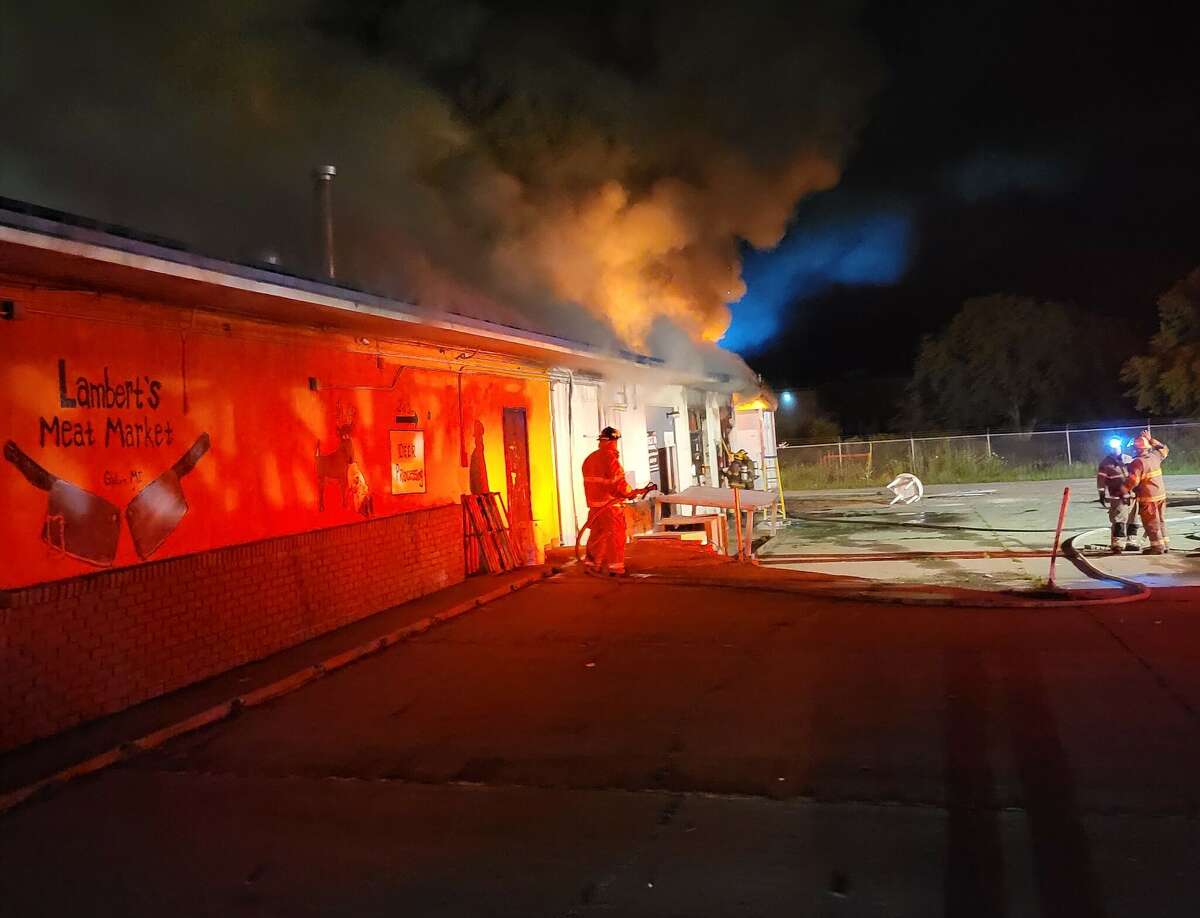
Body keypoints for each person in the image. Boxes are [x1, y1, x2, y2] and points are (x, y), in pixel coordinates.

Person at [581, 426, 650, 575]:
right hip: (610, 506)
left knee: (597, 536)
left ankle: (592, 565)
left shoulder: (590, 458)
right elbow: (618, 484)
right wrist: (630, 493)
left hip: (594, 507)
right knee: (616, 536)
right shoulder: (610, 459)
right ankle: (615, 568)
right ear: (613, 441)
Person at [1122, 430, 1170, 554]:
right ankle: (1165, 544)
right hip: (1161, 495)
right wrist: (1151, 439)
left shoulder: (1137, 462)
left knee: (1151, 523)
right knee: (1160, 520)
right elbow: (1164, 448)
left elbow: (1133, 481)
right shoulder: (1155, 456)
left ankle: (1157, 547)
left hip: (1149, 498)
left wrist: (1122, 491)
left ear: (1137, 449)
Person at [1096, 438, 1139, 553]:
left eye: (1117, 446)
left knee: (1133, 519)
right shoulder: (1105, 464)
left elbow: (1136, 474)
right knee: (1119, 520)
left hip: (1132, 496)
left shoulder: (1128, 459)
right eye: (1112, 446)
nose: (1115, 448)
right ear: (1109, 448)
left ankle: (1131, 541)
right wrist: (1101, 493)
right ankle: (1118, 543)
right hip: (1117, 497)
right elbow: (1101, 480)